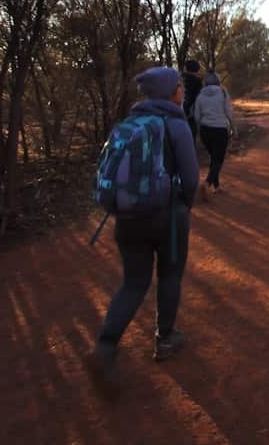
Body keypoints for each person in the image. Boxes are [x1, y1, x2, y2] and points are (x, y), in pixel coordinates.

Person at [86, 67, 200, 394]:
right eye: (179, 86)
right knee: (169, 274)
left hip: (127, 218)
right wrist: (183, 206)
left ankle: (105, 347)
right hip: (168, 217)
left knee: (134, 282)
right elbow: (191, 178)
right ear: (170, 92)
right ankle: (165, 339)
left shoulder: (128, 123)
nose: (182, 91)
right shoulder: (176, 124)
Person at [193, 71, 236, 194]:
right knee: (219, 159)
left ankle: (216, 186)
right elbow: (229, 113)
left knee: (214, 158)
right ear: (218, 80)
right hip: (220, 130)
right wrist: (234, 128)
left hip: (205, 131)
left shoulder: (200, 96)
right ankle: (207, 183)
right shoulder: (223, 93)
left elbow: (196, 116)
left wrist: (200, 129)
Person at [181, 60, 204, 139]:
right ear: (197, 68)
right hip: (192, 108)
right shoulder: (197, 81)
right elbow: (199, 96)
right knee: (191, 130)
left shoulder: (181, 79)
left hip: (179, 107)